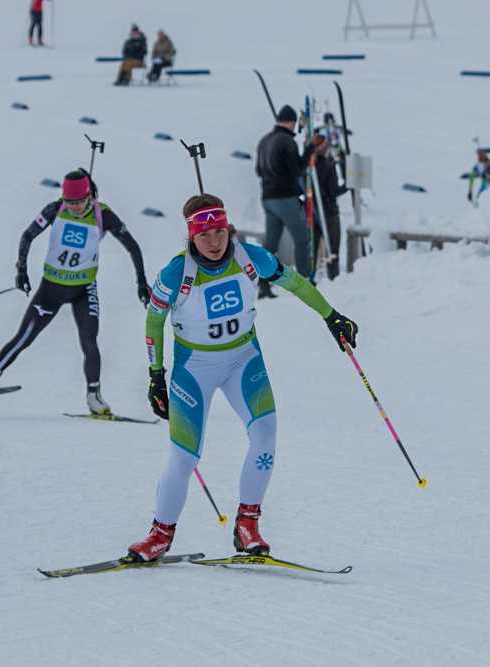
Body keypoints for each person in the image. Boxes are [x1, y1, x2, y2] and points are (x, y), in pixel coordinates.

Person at [125, 193, 359, 562]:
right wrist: (156, 375)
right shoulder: (177, 272)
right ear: (191, 237)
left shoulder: (251, 257)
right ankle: (160, 534)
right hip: (193, 369)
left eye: (220, 232)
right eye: (205, 235)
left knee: (265, 435)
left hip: (243, 360)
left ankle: (247, 524)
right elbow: (154, 320)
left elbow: (295, 283)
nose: (215, 242)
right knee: (184, 458)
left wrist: (332, 316)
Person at [0, 170, 151, 415]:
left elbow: (133, 246)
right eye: (69, 202)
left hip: (84, 289)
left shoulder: (102, 215)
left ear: (90, 196)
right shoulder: (55, 209)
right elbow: (27, 236)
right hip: (51, 288)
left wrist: (141, 282)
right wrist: (21, 271)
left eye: (78, 202)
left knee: (89, 340)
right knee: (24, 337)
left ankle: (94, 395)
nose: (73, 207)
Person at [255, 104, 317, 297]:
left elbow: (258, 171)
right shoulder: (287, 142)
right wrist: (309, 150)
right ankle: (306, 281)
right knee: (302, 239)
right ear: (291, 122)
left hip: (267, 198)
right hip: (285, 197)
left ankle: (263, 284)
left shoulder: (264, 141)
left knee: (271, 244)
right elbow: (298, 169)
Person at [311, 132, 349, 280]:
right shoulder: (328, 166)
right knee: (333, 248)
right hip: (329, 213)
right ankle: (333, 278)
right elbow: (333, 191)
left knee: (312, 249)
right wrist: (347, 186)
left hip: (311, 212)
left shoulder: (308, 166)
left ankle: (310, 278)